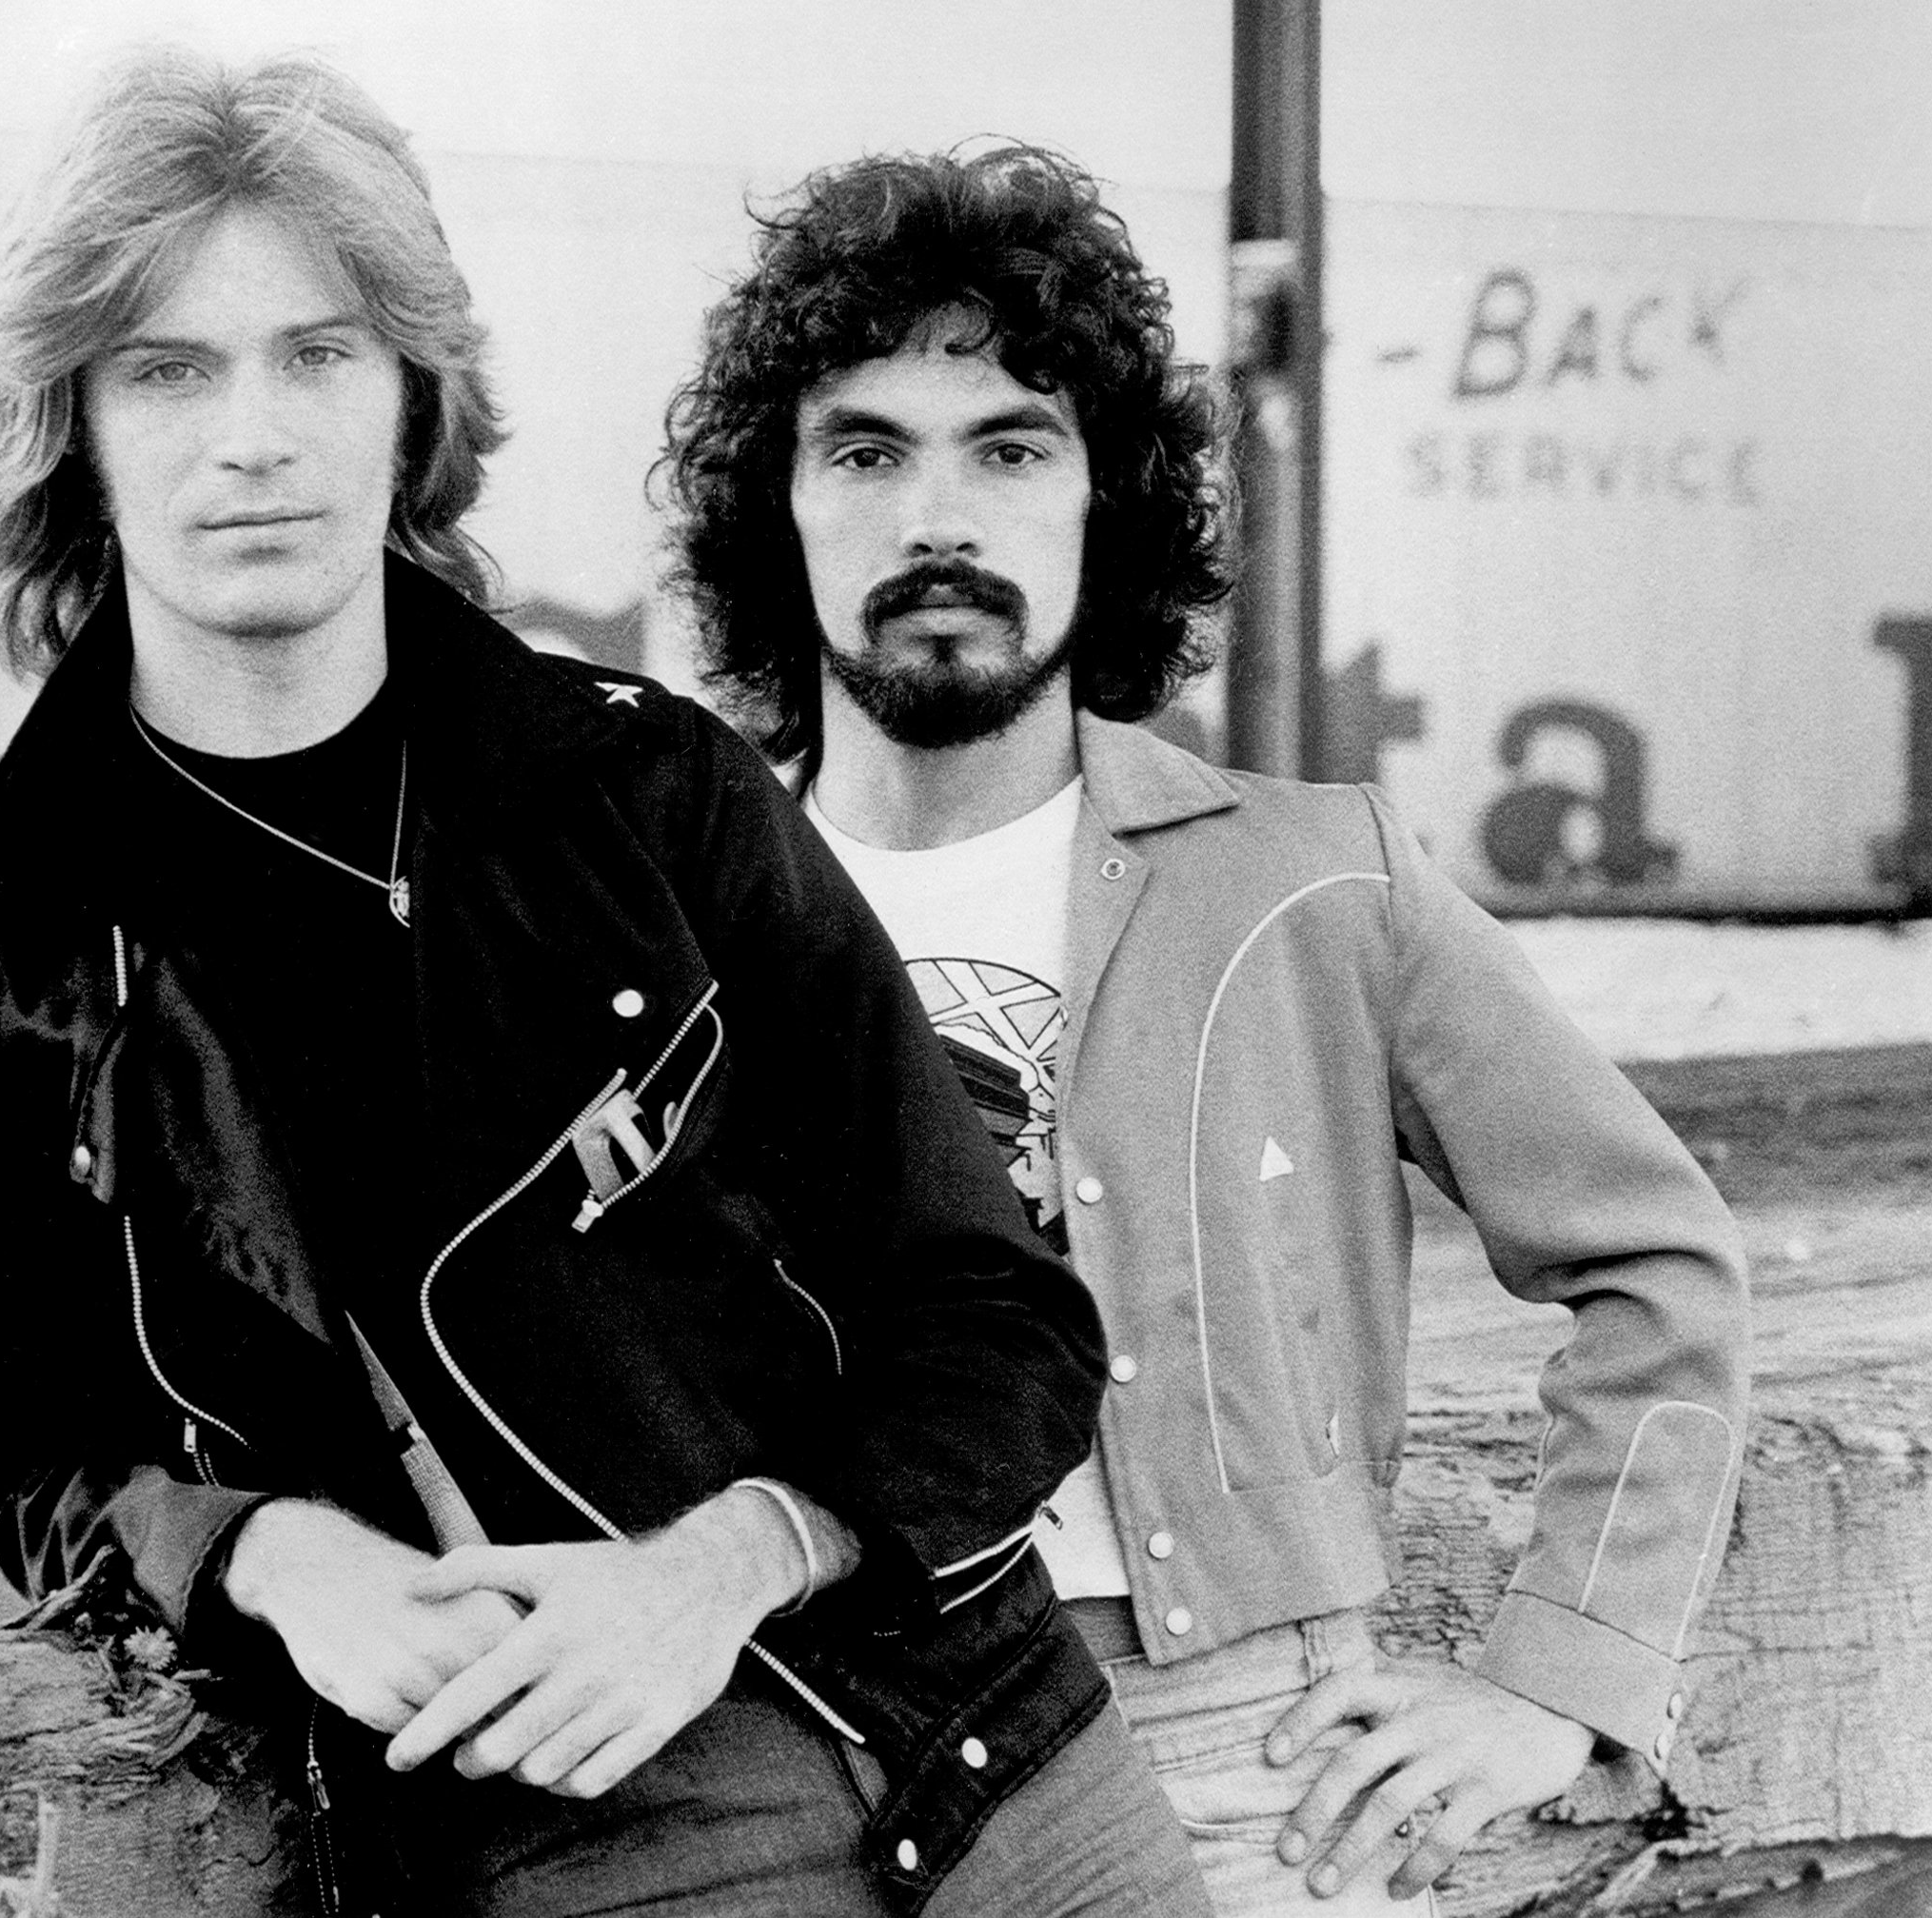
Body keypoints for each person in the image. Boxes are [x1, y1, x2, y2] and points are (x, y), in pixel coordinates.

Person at [0, 56, 1211, 1916]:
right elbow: (30, 1463)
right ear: (76, 420)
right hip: (596, 1827)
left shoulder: (651, 790)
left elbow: (1000, 1314)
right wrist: (272, 1555)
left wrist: (730, 1564)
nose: (254, 435)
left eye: (319, 354)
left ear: (413, 402)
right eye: (169, 367)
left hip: (1000, 1735)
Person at [661, 145, 1753, 1914]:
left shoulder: (1323, 884)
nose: (941, 516)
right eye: (865, 451)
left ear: (1110, 507)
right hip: (777, 1731)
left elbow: (1662, 1265)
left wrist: (1562, 1676)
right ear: (773, 515)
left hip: (1243, 1745)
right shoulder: (672, 917)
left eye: (1014, 448)